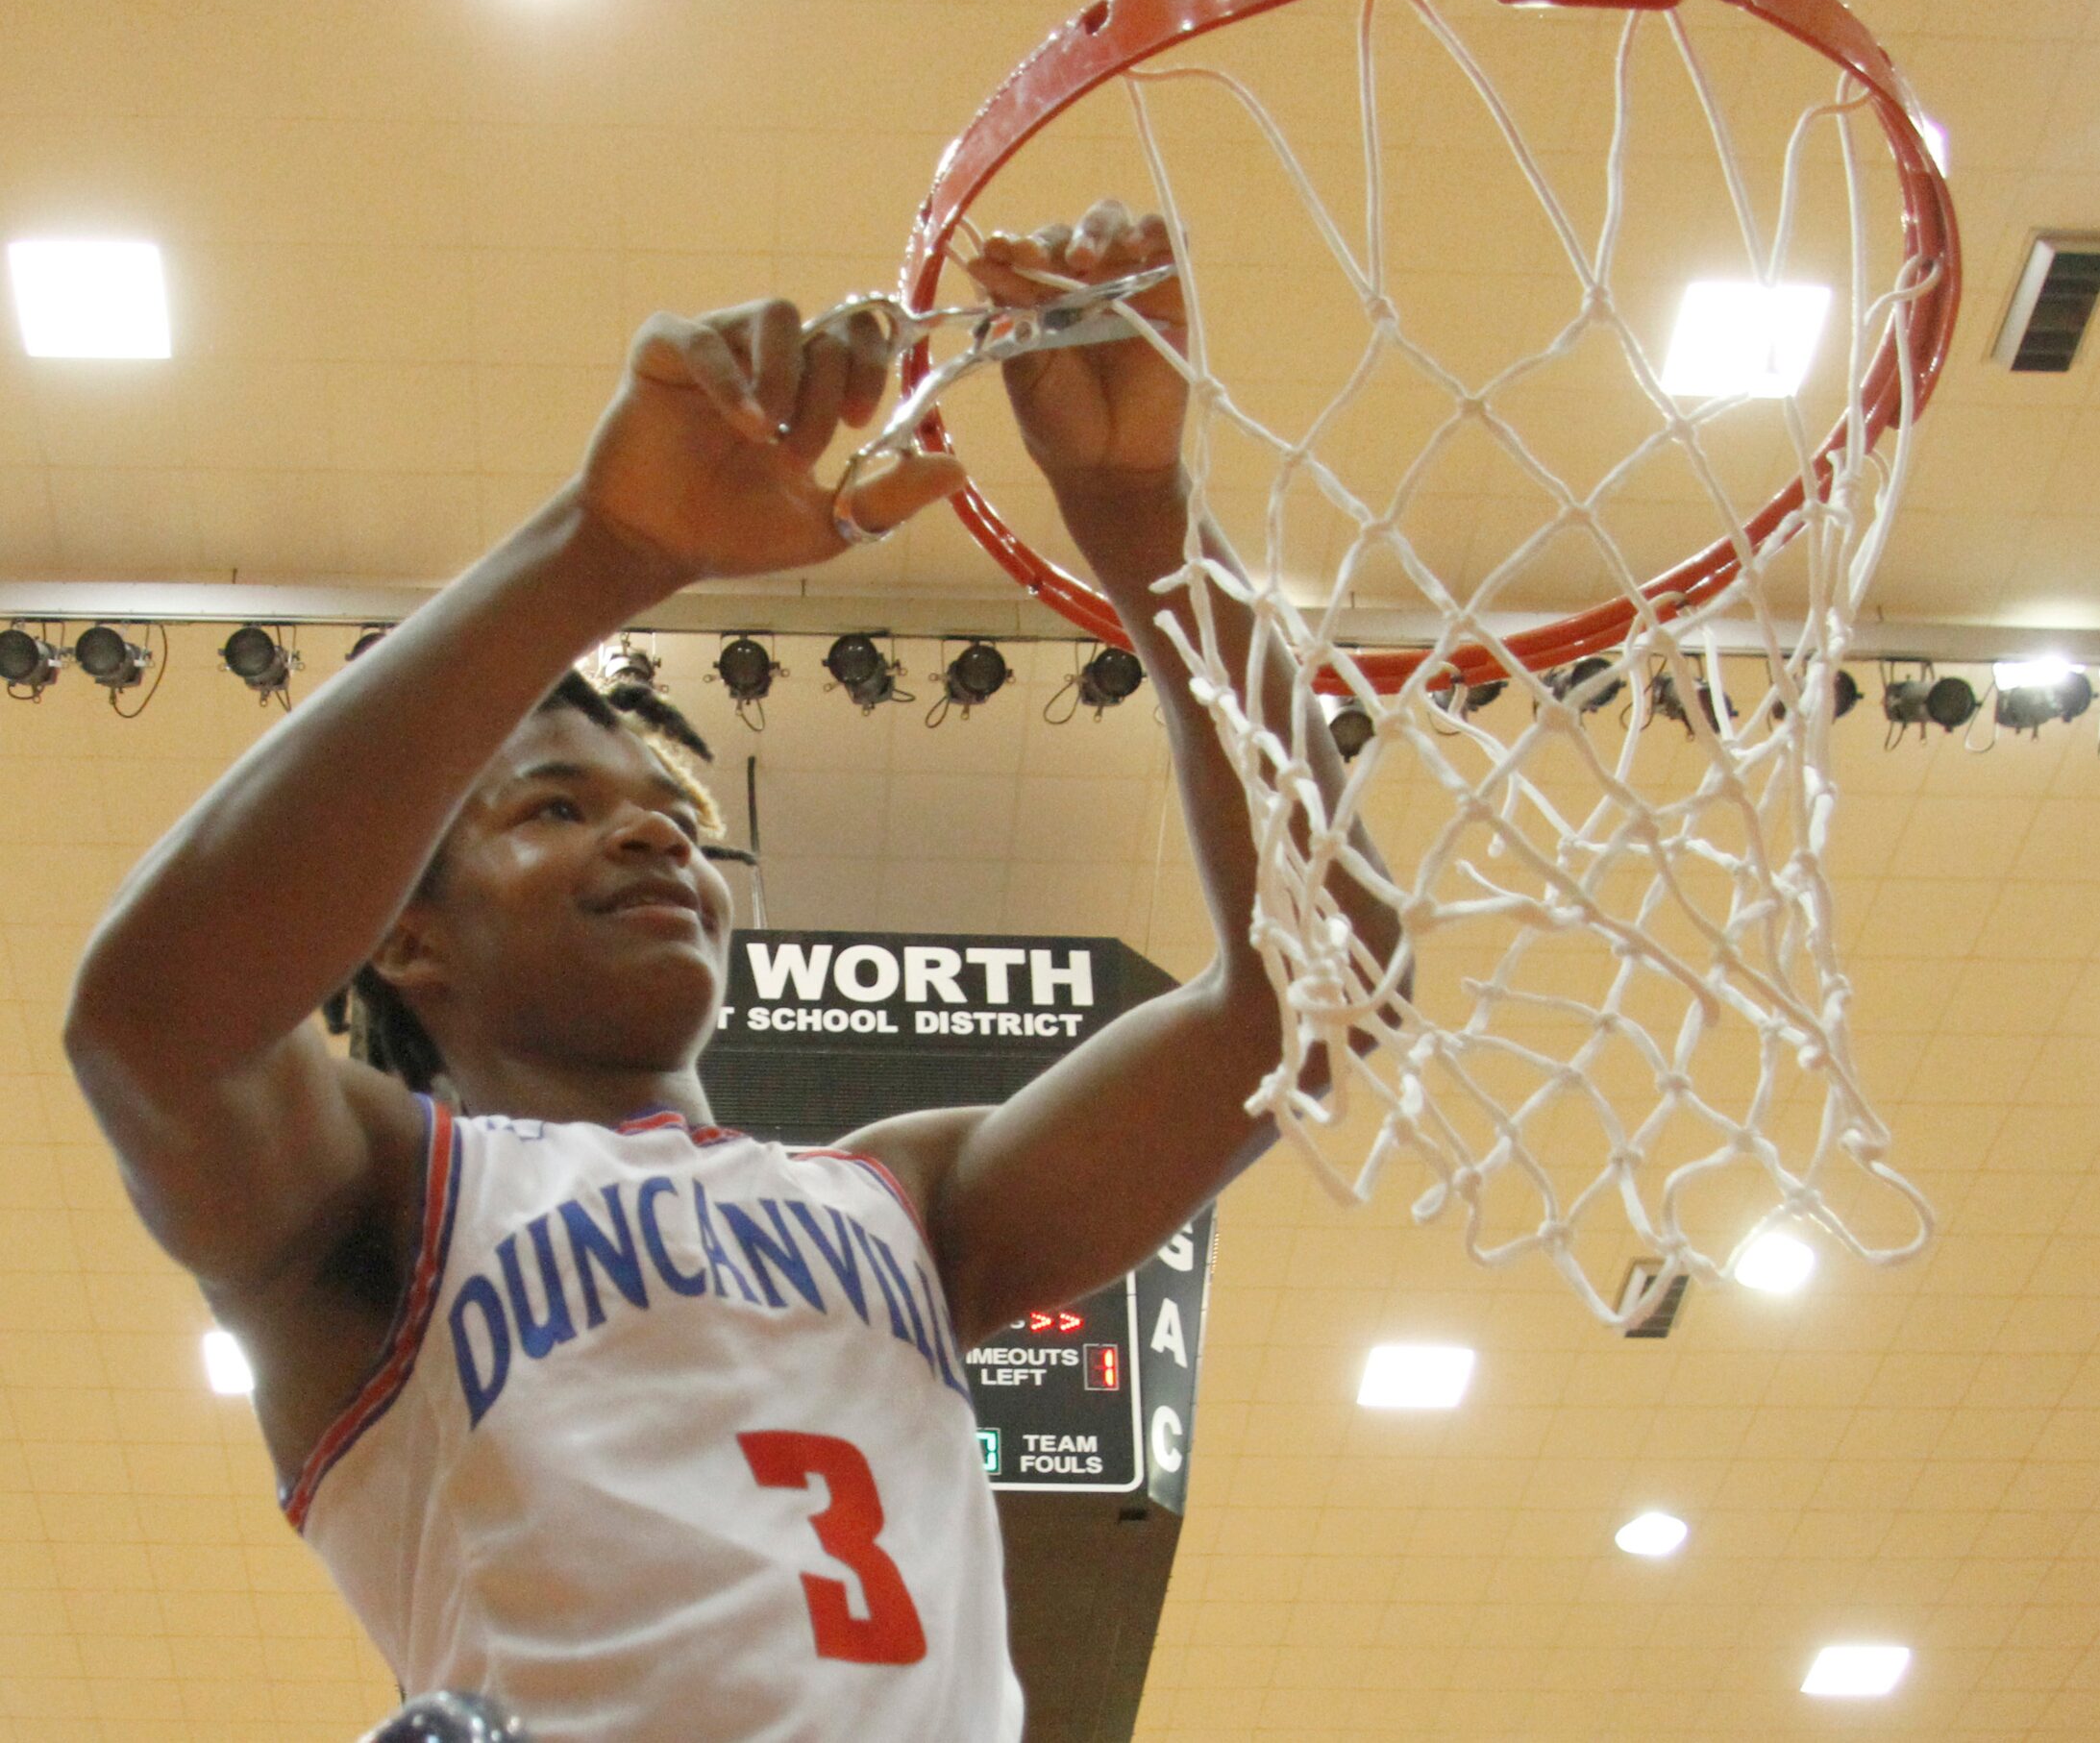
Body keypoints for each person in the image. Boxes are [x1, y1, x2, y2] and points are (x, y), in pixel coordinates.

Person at [63, 202, 1397, 1741]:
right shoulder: (383, 1202)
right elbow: (153, 1026)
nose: (647, 837)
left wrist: (1135, 510)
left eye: (669, 813)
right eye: (555, 806)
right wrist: (603, 550)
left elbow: (1318, 977)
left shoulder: (908, 1204)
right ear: (406, 935)